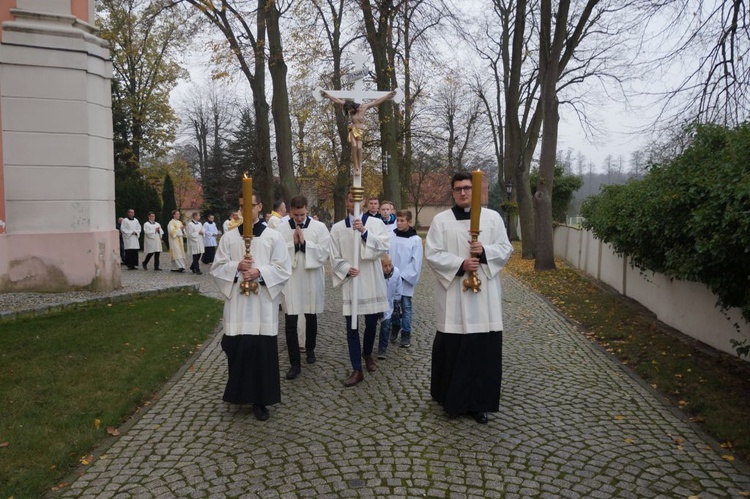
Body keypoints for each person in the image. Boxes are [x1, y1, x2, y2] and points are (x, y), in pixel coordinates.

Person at [424, 172, 513, 424]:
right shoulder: (441, 221)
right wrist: (460, 263)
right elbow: (432, 253)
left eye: (467, 188)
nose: (463, 193)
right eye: (457, 189)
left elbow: (506, 249)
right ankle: (451, 400)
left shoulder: (493, 218)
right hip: (453, 296)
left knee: (482, 353)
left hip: (484, 301)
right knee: (453, 350)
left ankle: (478, 403)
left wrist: (484, 252)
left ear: (475, 191)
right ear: (452, 192)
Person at [210, 192, 292, 421]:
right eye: (241, 206)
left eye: (251, 205)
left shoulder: (273, 237)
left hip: (262, 306)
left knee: (262, 351)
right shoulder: (228, 238)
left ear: (260, 207)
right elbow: (216, 268)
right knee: (239, 348)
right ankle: (240, 394)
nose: (246, 210)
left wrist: (260, 272)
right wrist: (236, 267)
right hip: (237, 304)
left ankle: (260, 400)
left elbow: (284, 269)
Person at [330, 189, 390, 387]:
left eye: (357, 200)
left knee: (372, 323)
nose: (353, 203)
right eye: (350, 200)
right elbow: (334, 255)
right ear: (347, 202)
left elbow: (383, 247)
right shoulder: (338, 228)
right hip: (352, 280)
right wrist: (346, 268)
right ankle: (357, 368)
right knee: (352, 326)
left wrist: (364, 233)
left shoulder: (376, 223)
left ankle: (367, 353)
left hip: (371, 278)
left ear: (363, 201)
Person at [277, 195, 330, 380]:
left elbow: (324, 252)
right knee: (290, 320)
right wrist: (293, 244)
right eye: (295, 214)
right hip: (291, 277)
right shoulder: (281, 228)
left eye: (302, 214)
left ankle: (310, 348)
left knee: (310, 314)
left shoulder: (319, 227)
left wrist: (305, 244)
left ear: (307, 210)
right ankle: (294, 363)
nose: (299, 218)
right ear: (290, 211)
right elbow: (276, 251)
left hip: (310, 276)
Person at [320, 90, 397, 175]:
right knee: (354, 145)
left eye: (349, 110)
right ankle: (356, 167)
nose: (349, 112)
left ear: (353, 107)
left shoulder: (363, 107)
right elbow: (337, 100)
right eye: (348, 111)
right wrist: (327, 95)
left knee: (359, 147)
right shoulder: (347, 106)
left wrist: (388, 96)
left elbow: (376, 102)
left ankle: (359, 166)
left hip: (360, 131)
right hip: (353, 129)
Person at [389, 209, 423, 348]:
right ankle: (396, 325)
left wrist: (402, 276)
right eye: (397, 220)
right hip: (391, 277)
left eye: (402, 220)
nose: (399, 223)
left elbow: (416, 262)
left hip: (404, 279)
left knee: (406, 307)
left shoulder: (415, 240)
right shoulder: (392, 236)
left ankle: (406, 333)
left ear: (409, 222)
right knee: (393, 307)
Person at [376, 254, 402, 360]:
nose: (388, 268)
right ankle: (382, 349)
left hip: (391, 302)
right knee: (385, 325)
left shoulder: (396, 273)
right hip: (380, 303)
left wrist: (397, 301)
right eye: (385, 266)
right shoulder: (377, 275)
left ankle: (397, 326)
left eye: (389, 265)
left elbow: (398, 287)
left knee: (394, 320)